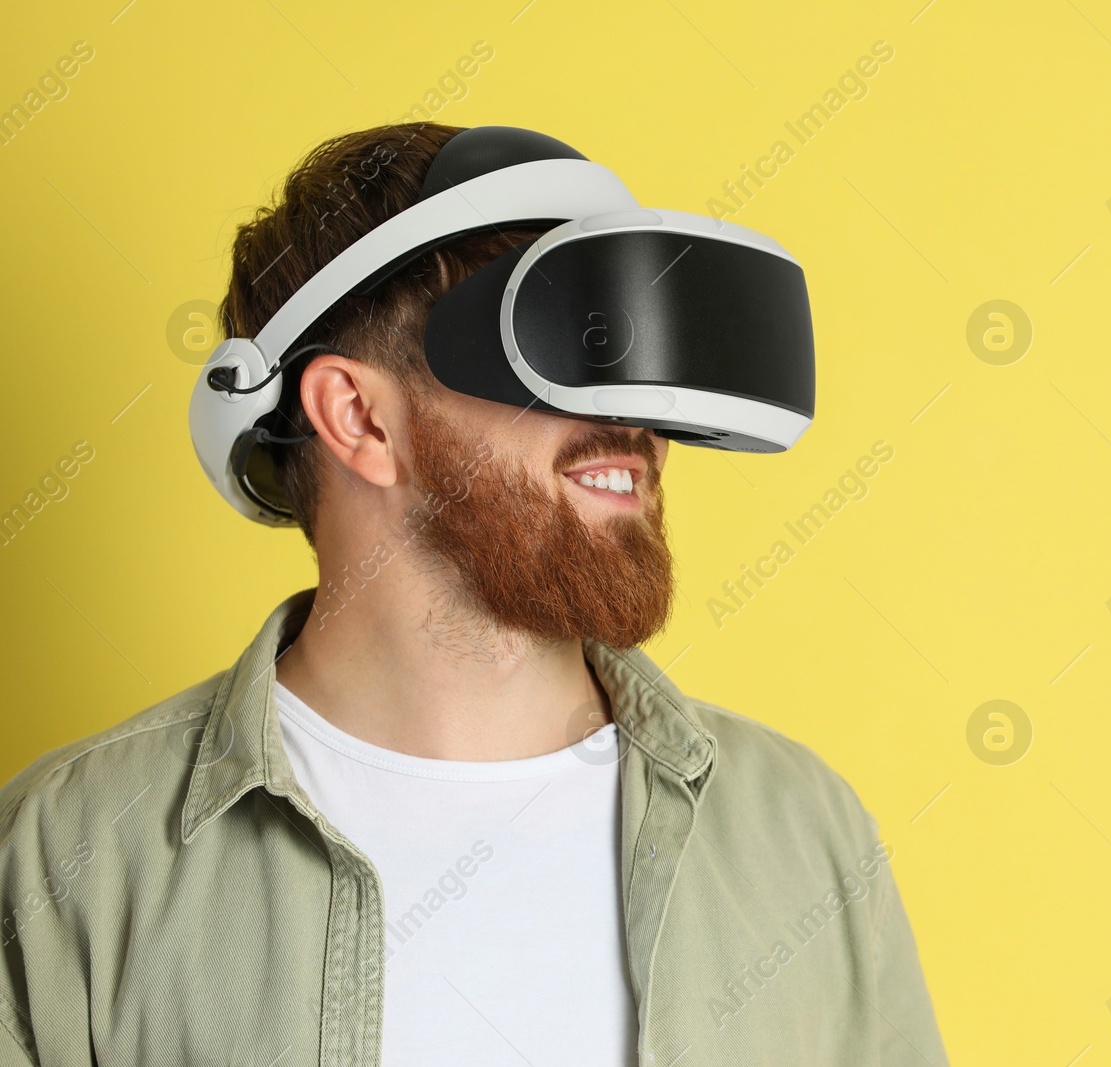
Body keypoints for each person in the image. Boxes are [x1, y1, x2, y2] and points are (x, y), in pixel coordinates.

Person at [0, 123, 946, 1066]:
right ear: (361, 416)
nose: (635, 420)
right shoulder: (69, 857)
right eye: (576, 343)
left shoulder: (802, 834)